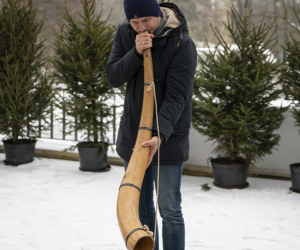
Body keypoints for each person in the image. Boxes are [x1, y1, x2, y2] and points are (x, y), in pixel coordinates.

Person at [106, 1, 197, 249]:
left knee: (169, 209)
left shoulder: (181, 42)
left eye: (146, 20)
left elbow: (178, 97)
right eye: (134, 22)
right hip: (133, 136)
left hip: (167, 137)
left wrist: (158, 135)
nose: (140, 27)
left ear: (158, 13)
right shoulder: (125, 33)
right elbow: (113, 76)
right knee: (142, 210)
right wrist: (135, 53)